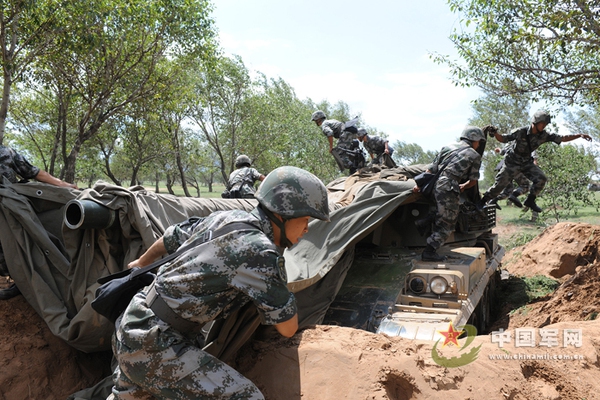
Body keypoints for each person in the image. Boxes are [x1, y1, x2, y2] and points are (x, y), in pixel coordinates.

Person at [110, 166, 330, 399]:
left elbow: (172, 236)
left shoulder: (226, 218)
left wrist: (141, 262)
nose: (307, 229)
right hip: (156, 342)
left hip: (135, 320)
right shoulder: (260, 252)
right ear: (282, 215)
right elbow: (288, 328)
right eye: (305, 219)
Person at [0, 144, 78, 300]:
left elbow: (32, 172)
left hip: (9, 211)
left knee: (16, 246)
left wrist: (63, 185)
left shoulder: (5, 152)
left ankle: (19, 282)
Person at [480, 110, 592, 213]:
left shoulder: (544, 135)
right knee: (499, 186)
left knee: (541, 178)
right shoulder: (521, 131)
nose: (544, 126)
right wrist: (495, 133)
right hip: (512, 162)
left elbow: (562, 138)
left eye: (546, 124)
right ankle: (482, 202)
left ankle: (530, 200)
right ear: (536, 121)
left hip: (526, 163)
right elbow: (503, 139)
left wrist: (579, 135)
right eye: (543, 124)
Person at [413, 127, 485, 262]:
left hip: (434, 185)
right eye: (479, 141)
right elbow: (473, 181)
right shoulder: (474, 155)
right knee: (448, 223)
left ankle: (425, 222)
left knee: (444, 212)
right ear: (474, 139)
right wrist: (462, 186)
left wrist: (419, 185)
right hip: (448, 187)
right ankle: (429, 251)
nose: (479, 144)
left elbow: (431, 169)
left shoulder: (447, 147)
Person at [311, 110, 362, 174]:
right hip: (351, 131)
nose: (315, 122)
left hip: (346, 132)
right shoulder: (331, 121)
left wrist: (331, 147)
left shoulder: (324, 125)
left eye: (315, 120)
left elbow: (330, 133)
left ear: (318, 119)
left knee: (339, 153)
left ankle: (353, 168)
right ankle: (358, 159)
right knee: (347, 151)